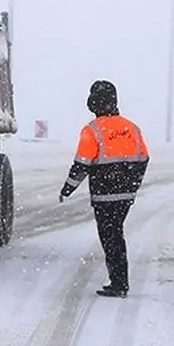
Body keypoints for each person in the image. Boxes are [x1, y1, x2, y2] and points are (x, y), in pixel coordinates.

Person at [59, 80, 150, 298]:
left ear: (92, 104)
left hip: (103, 196)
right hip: (125, 195)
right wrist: (133, 183)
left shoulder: (91, 131)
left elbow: (81, 165)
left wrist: (67, 189)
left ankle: (119, 283)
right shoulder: (132, 127)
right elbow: (143, 158)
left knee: (110, 236)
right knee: (116, 233)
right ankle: (119, 281)